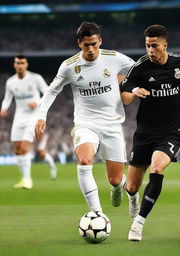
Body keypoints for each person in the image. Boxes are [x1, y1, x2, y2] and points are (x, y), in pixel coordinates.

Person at [35, 21, 135, 213]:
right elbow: (51, 91)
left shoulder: (114, 58)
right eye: (86, 44)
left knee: (115, 179)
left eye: (94, 44)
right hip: (85, 124)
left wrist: (124, 82)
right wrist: (41, 116)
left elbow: (136, 70)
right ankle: (97, 213)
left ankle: (121, 188)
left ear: (100, 41)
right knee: (84, 161)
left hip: (112, 124)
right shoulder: (69, 66)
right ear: (79, 43)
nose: (90, 49)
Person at [121, 24, 180, 241]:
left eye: (154, 45)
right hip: (145, 132)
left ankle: (138, 224)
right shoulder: (139, 68)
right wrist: (133, 92)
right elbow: (125, 97)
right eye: (147, 45)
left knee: (157, 168)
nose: (150, 50)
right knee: (131, 186)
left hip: (171, 131)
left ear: (164, 45)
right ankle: (132, 197)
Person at [0, 54, 57, 189]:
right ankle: (24, 178)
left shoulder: (35, 78)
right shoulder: (11, 82)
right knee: (17, 149)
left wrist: (36, 102)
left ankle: (27, 180)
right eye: (17, 63)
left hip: (33, 117)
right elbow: (7, 98)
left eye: (22, 63)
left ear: (26, 65)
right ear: (15, 65)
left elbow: (48, 92)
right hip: (18, 117)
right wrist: (4, 108)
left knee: (25, 147)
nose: (20, 65)